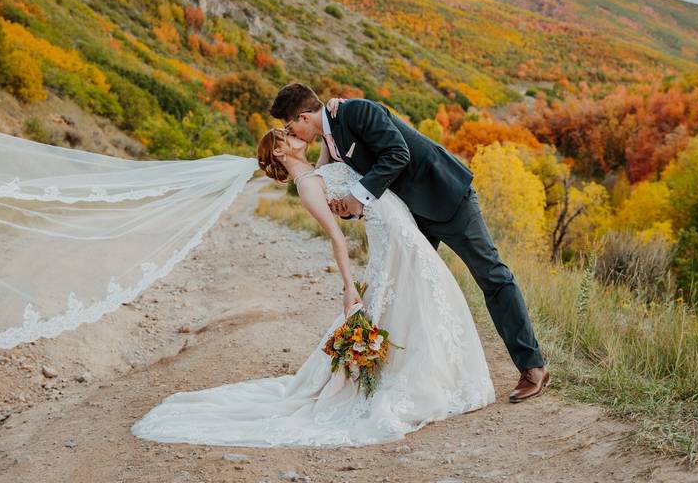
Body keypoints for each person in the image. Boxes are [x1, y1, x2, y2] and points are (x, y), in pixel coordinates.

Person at [129, 126, 495, 447]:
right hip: (390, 236)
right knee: (411, 298)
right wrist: (349, 288)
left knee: (416, 300)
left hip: (399, 225)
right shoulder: (306, 186)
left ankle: (432, 372)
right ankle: (422, 378)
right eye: (288, 136)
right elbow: (337, 239)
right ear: (278, 151)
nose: (296, 135)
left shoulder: (314, 170)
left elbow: (326, 139)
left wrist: (329, 115)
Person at [270, 83, 549, 403]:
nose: (289, 132)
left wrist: (357, 197)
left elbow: (397, 153)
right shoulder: (331, 143)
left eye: (289, 126)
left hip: (446, 199)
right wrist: (348, 206)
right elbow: (361, 189)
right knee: (411, 291)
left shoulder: (356, 110)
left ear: (304, 118)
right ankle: (432, 375)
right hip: (409, 217)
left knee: (492, 276)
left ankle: (533, 368)